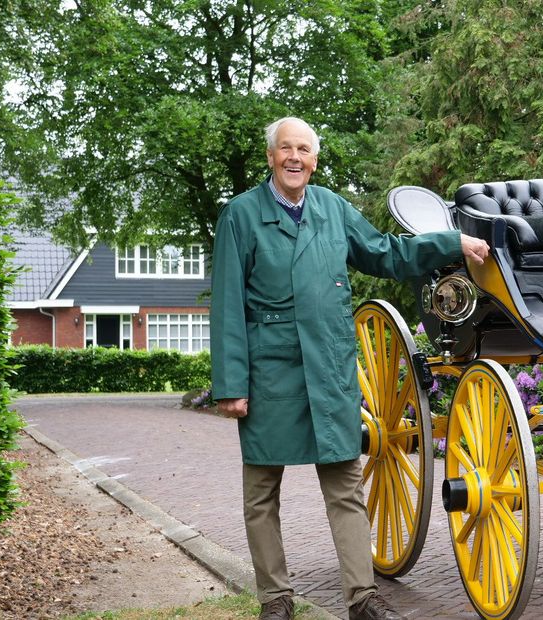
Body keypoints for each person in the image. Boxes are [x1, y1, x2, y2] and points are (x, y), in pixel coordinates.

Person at [210, 117, 489, 620]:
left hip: (331, 365)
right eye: (286, 149)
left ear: (314, 160)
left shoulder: (333, 209)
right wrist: (231, 384)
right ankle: (275, 599)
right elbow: (228, 303)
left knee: (344, 483)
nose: (295, 158)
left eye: (305, 150)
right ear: (271, 157)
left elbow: (386, 252)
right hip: (271, 369)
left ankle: (362, 597)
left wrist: (450, 243)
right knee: (261, 492)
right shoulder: (241, 215)